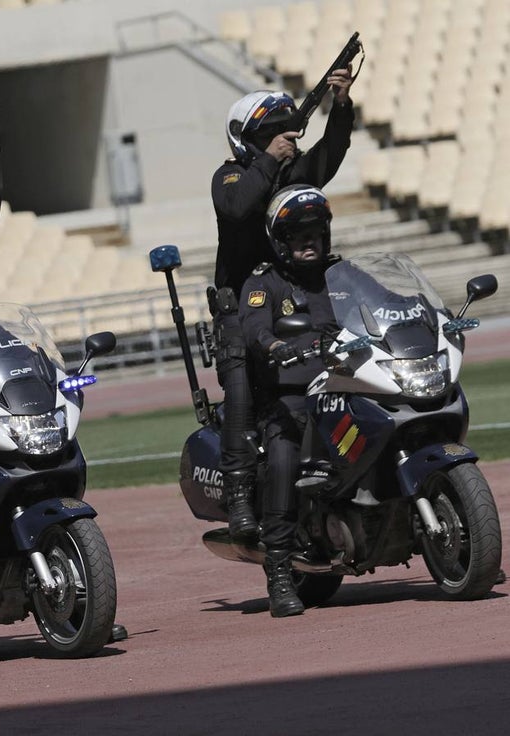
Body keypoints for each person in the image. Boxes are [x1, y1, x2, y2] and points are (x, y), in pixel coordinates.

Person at [211, 67, 356, 542]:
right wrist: (269, 162)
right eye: (272, 134)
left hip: (296, 297)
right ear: (247, 139)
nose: (284, 140)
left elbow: (327, 160)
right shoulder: (230, 176)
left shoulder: (286, 171)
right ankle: (237, 499)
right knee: (241, 392)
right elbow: (239, 206)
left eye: (286, 132)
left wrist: (341, 106)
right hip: (241, 310)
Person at [239, 185, 339, 618]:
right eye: (299, 236)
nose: (309, 242)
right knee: (283, 458)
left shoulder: (340, 276)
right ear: (281, 243)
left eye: (316, 233)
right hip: (290, 396)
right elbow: (253, 327)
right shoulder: (264, 281)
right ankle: (279, 569)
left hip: (348, 386)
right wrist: (273, 344)